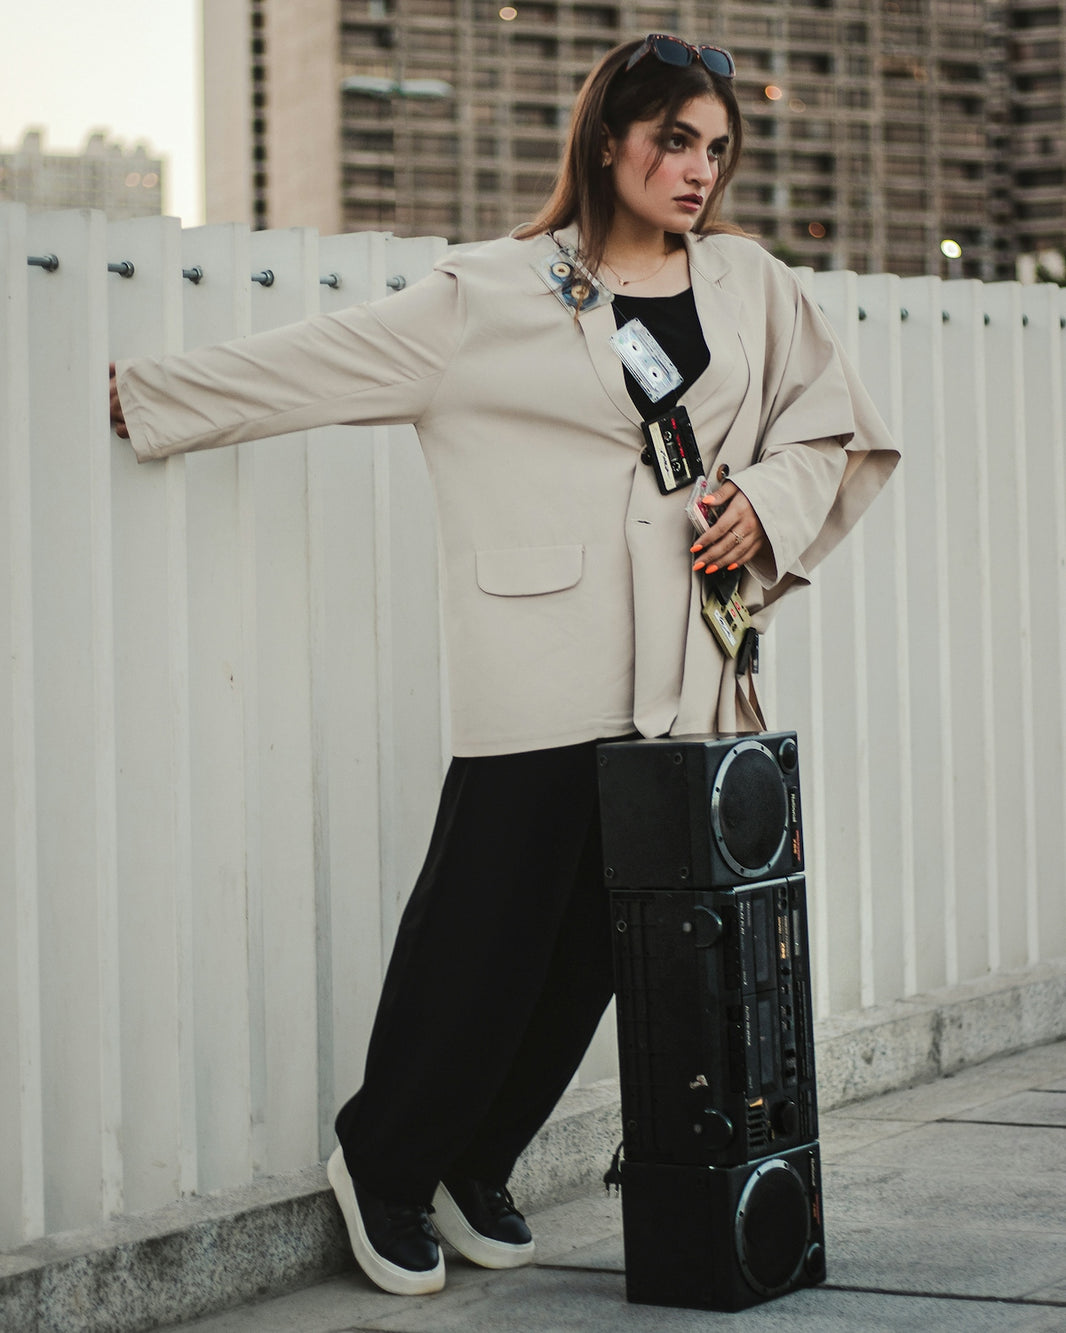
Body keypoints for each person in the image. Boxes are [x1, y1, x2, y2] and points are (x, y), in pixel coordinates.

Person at [110, 34, 899, 1299]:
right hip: (540, 653)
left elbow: (833, 424)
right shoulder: (488, 293)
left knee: (604, 948)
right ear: (606, 140)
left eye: (714, 148)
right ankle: (383, 1160)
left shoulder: (749, 283)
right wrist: (151, 397)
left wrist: (763, 496)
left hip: (682, 671)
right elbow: (321, 364)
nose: (698, 169)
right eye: (672, 140)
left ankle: (481, 1158)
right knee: (485, 931)